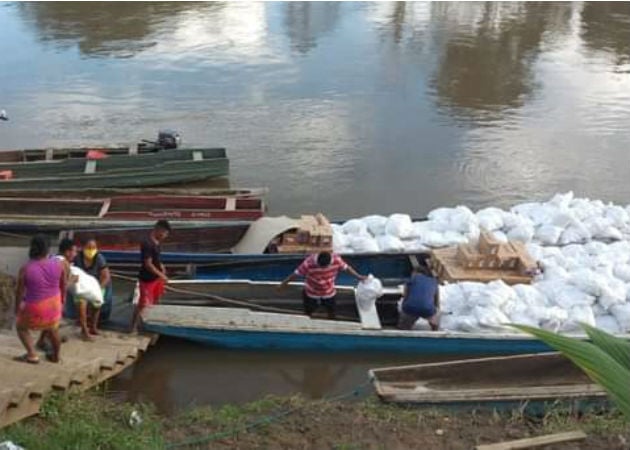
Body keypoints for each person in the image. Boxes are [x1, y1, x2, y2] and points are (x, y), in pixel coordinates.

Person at [14, 235, 67, 363]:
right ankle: (56, 356)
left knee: (20, 327)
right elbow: (63, 285)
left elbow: (19, 293)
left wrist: (17, 309)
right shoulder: (60, 264)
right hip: (54, 306)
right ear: (48, 249)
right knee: (53, 329)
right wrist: (62, 302)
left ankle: (32, 354)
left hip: (36, 308)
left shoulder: (25, 268)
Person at [279, 251, 366, 319]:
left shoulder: (336, 260)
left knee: (331, 310)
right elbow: (295, 274)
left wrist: (359, 276)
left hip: (328, 292)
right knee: (308, 311)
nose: (322, 269)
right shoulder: (309, 262)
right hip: (311, 292)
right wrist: (283, 284)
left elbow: (347, 268)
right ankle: (308, 318)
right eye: (320, 267)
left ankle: (331, 320)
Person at [130, 220, 171, 333]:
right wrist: (161, 275)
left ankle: (150, 321)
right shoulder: (147, 243)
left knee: (156, 298)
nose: (165, 236)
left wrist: (162, 267)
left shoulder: (157, 242)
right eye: (165, 233)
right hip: (147, 278)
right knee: (142, 303)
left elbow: (156, 259)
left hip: (156, 277)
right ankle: (133, 327)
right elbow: (148, 264)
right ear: (159, 229)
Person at [72, 237, 112, 339]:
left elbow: (106, 276)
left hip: (96, 285)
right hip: (81, 286)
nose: (91, 250)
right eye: (88, 247)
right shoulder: (77, 258)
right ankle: (84, 331)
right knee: (81, 306)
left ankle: (93, 327)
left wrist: (99, 288)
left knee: (97, 305)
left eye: (93, 247)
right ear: (83, 248)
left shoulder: (99, 258)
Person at [397, 266, 440, 331]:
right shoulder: (434, 282)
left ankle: (403, 330)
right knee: (435, 323)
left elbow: (405, 296)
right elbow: (436, 301)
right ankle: (435, 332)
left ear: (415, 272)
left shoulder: (410, 280)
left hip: (411, 307)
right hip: (428, 309)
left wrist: (404, 308)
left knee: (404, 324)